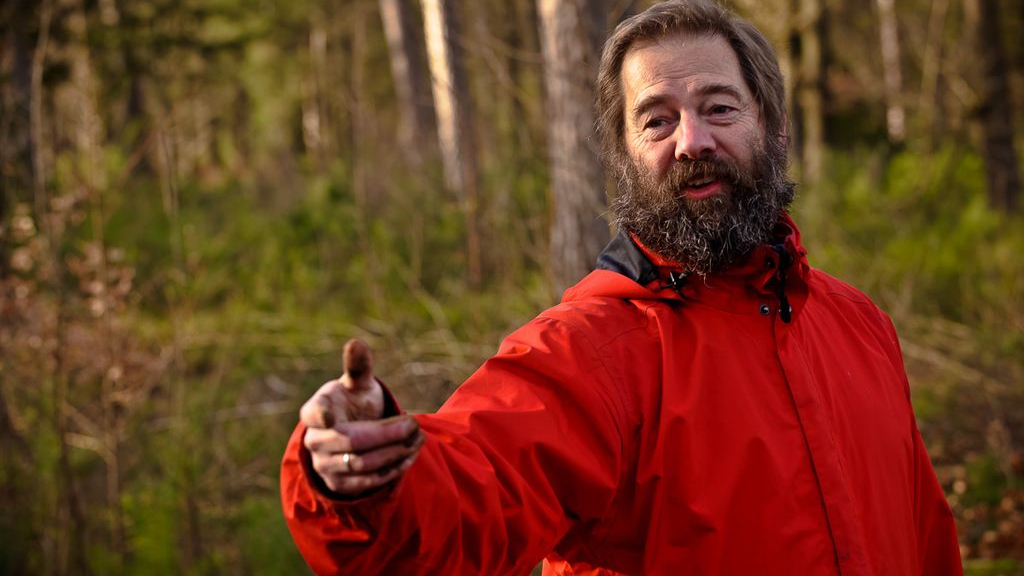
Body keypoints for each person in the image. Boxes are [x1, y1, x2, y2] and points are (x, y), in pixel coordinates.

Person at [280, 1, 964, 574]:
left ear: (775, 131)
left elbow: (926, 536)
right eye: (657, 119)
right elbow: (466, 498)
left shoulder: (858, 323)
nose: (692, 141)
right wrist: (366, 480)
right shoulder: (590, 353)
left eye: (720, 108)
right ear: (626, 159)